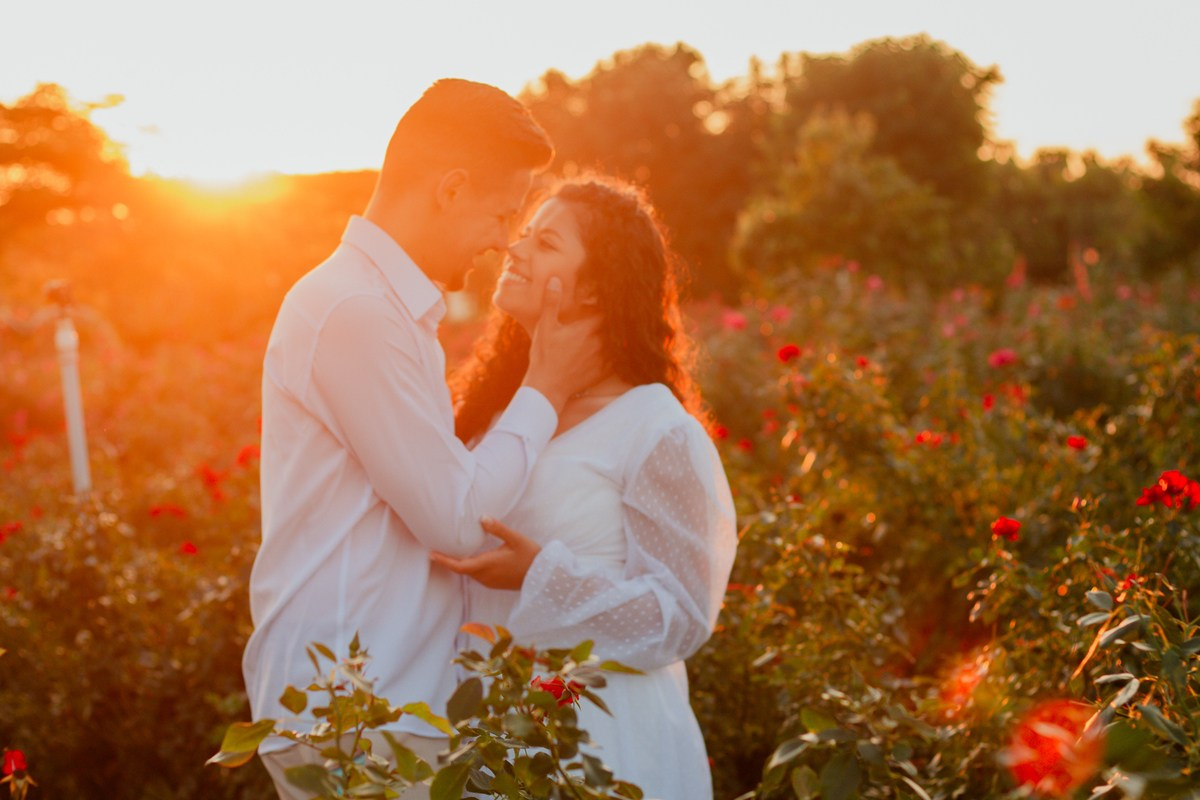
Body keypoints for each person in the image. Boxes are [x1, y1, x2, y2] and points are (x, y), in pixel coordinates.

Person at [242, 79, 604, 800]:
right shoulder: (355, 310)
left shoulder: (386, 311)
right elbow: (458, 521)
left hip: (378, 703)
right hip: (351, 711)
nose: (506, 239)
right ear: (451, 187)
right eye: (503, 212)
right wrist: (548, 386)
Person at [433, 176, 738, 800]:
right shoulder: (498, 415)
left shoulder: (654, 427)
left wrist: (539, 573)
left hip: (605, 736)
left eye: (545, 243)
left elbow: (679, 618)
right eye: (522, 236)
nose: (515, 251)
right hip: (498, 732)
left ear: (596, 287)